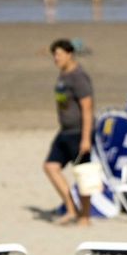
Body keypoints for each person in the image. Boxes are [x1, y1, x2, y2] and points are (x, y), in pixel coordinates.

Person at [44, 39, 94, 226]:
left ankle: (85, 216)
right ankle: (71, 208)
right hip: (65, 131)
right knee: (50, 166)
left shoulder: (78, 77)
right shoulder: (63, 75)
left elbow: (87, 107)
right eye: (54, 55)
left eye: (58, 54)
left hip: (80, 132)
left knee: (83, 175)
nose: (55, 59)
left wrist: (86, 138)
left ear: (69, 54)